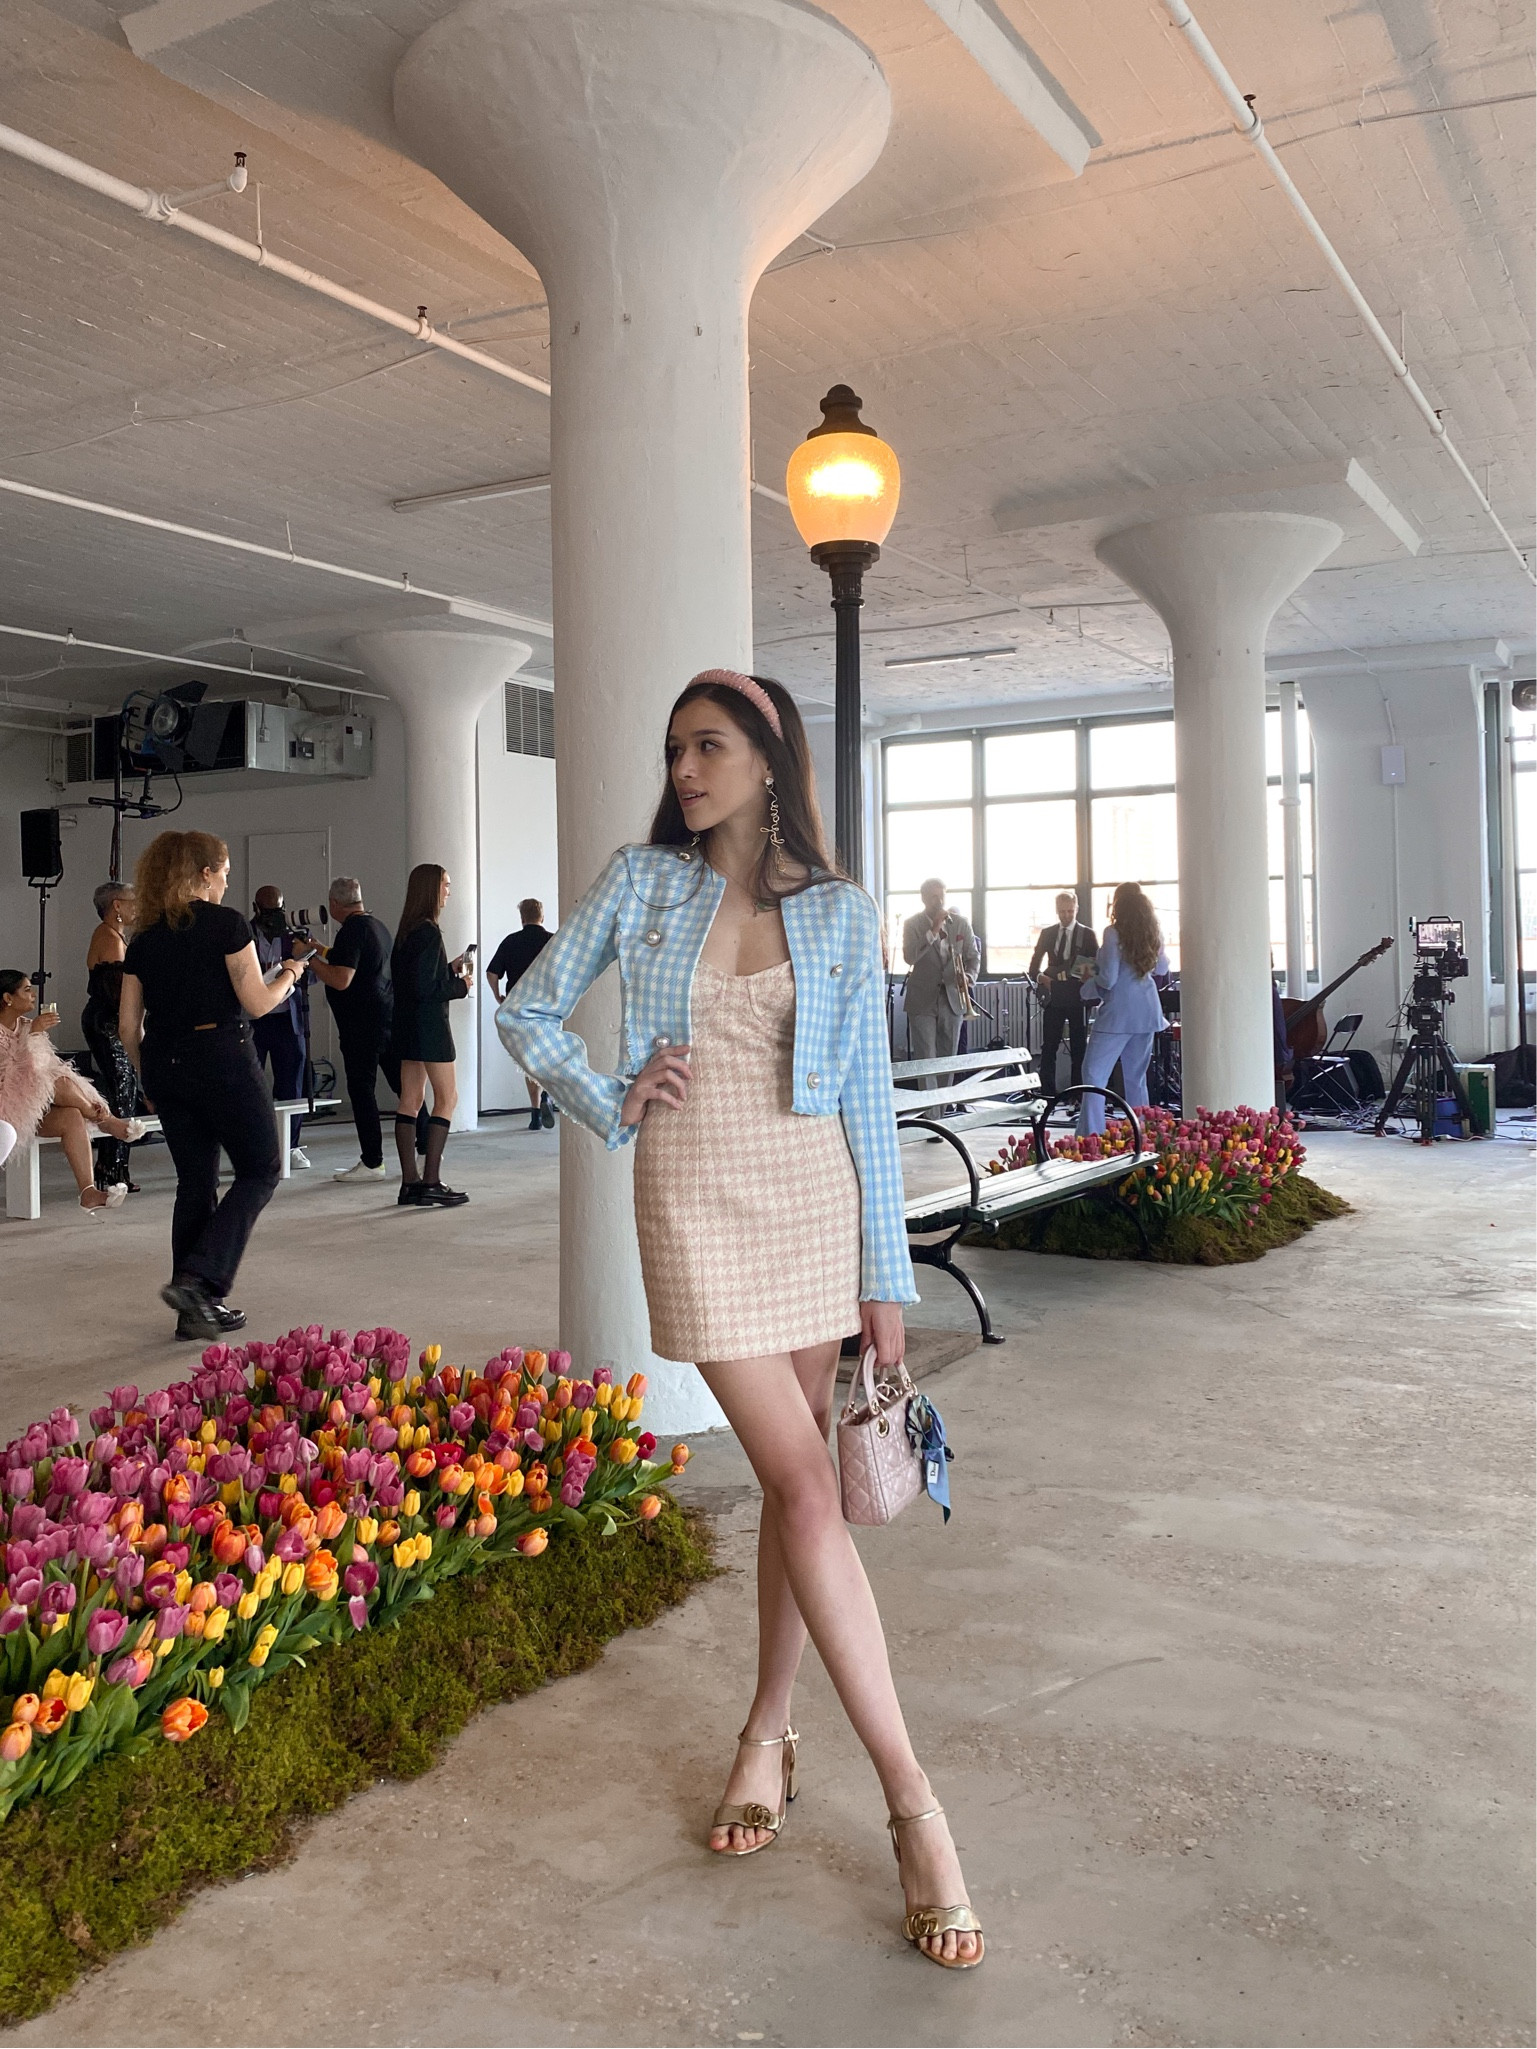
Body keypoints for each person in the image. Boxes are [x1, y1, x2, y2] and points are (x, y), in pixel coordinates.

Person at [498, 668, 983, 1971]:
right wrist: (608, 1093)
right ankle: (912, 1805)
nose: (686, 771)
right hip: (694, 1203)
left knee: (798, 1487)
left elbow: (867, 1107)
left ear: (770, 760)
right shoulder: (641, 884)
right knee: (802, 1481)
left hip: (815, 1204)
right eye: (675, 751)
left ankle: (768, 1731)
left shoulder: (836, 909)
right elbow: (524, 1003)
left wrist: (890, 1276)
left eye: (708, 745)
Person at [120, 831, 301, 1340]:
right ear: (203, 873)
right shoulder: (227, 925)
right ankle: (201, 1283)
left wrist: (145, 1078)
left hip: (164, 1061)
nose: (226, 880)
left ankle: (191, 1311)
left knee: (196, 1182)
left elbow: (128, 1026)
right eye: (222, 870)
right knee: (261, 1169)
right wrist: (289, 972)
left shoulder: (145, 938)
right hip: (221, 1056)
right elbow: (259, 1002)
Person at [0, 969, 142, 1211]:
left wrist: (33, 1033)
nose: (33, 994)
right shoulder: (25, 1028)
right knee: (55, 1079)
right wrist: (33, 1034)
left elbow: (51, 1066)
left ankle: (88, 1192)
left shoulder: (26, 1024)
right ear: (7, 998)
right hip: (8, 1111)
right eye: (26, 990)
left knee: (71, 1113)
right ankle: (104, 1120)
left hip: (36, 1105)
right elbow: (15, 1074)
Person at [389, 864, 473, 1208]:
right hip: (430, 1026)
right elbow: (427, 988)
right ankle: (432, 1180)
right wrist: (460, 985)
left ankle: (410, 1183)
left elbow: (413, 979)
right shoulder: (429, 932)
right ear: (431, 889)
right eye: (445, 885)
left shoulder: (407, 930)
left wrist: (446, 968)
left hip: (406, 1024)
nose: (448, 892)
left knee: (410, 1099)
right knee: (447, 1098)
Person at [299, 877, 394, 1182]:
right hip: (385, 1019)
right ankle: (422, 1147)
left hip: (360, 1027)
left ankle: (372, 1162)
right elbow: (353, 961)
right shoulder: (375, 925)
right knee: (404, 1087)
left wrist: (308, 958)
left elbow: (341, 979)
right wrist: (321, 949)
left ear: (336, 904)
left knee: (362, 1091)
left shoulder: (352, 930)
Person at [1079, 882, 1169, 1135]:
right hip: (1148, 1011)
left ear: (1118, 904)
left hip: (1118, 1014)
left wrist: (1089, 973)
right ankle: (1140, 1134)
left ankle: (1091, 1135)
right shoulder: (1154, 932)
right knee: (1136, 1078)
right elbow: (1161, 970)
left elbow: (1108, 978)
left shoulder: (1112, 932)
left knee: (1094, 1075)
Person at [82, 879, 145, 1190]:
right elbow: (117, 992)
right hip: (106, 1022)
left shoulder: (115, 936)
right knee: (120, 1090)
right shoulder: (109, 938)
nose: (137, 906)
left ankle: (114, 1169)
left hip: (109, 1019)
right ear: (116, 906)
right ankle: (110, 1171)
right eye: (131, 901)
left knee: (125, 1089)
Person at [251, 885, 312, 1170]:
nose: (274, 917)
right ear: (256, 908)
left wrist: (302, 961)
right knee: (250, 1084)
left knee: (293, 1083)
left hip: (288, 1019)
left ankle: (292, 1145)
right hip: (253, 1018)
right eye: (269, 911)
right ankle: (254, 1147)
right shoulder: (242, 934)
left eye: (279, 910)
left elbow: (313, 978)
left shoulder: (295, 936)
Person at [900, 879, 979, 1086]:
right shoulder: (912, 924)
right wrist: (933, 930)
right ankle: (929, 1115)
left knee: (947, 1061)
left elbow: (973, 957)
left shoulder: (960, 923)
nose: (939, 900)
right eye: (934, 896)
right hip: (922, 999)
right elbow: (909, 957)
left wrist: (969, 977)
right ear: (924, 898)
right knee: (926, 1059)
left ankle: (940, 1116)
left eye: (942, 895)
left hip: (953, 999)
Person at [487, 898, 555, 1131]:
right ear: (542, 917)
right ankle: (547, 1095)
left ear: (522, 918)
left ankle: (535, 1113)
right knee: (547, 1055)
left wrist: (498, 996)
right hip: (547, 1008)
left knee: (529, 1060)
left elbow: (492, 972)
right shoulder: (552, 941)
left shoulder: (511, 941)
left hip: (520, 1008)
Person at [1028, 890, 1099, 1095]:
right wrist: (1042, 979)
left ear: (1077, 909)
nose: (1066, 916)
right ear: (1056, 911)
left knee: (1079, 1047)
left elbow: (1093, 968)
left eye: (1070, 911)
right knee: (1049, 1046)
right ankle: (1048, 1093)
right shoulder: (1047, 933)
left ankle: (1077, 1093)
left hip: (1077, 997)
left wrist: (1065, 979)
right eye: (1062, 912)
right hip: (1053, 997)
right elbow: (1034, 967)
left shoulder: (1087, 934)